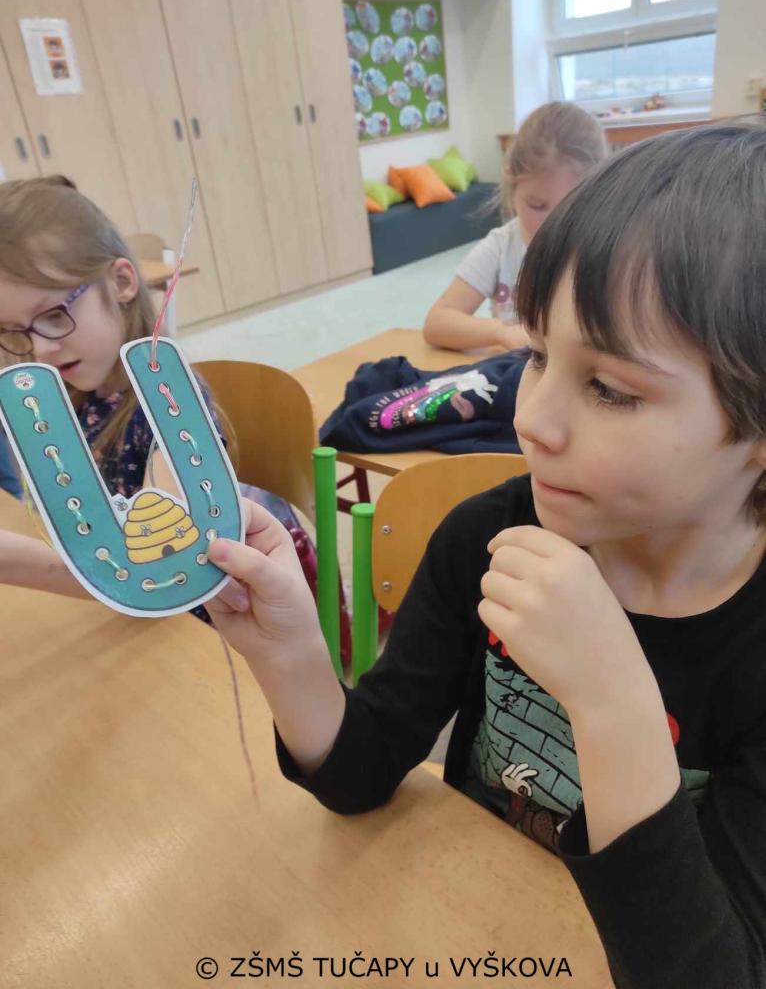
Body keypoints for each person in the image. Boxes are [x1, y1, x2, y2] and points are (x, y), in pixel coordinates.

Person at [206, 121, 766, 989]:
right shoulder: (487, 538)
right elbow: (360, 775)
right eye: (539, 354)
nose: (530, 420)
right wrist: (289, 652)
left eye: (610, 388)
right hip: (461, 922)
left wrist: (614, 702)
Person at [0, 176, 251, 612]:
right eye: (13, 331)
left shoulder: (169, 403)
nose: (40, 349)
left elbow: (174, 567)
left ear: (120, 282)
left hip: (200, 618)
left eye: (54, 316)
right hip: (115, 611)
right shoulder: (67, 396)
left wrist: (20, 563)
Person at [422, 101, 607, 352]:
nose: (551, 225)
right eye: (537, 205)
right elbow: (436, 323)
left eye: (569, 209)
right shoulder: (501, 247)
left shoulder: (604, 250)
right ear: (512, 183)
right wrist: (501, 332)